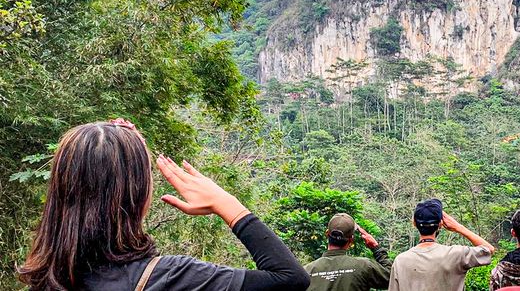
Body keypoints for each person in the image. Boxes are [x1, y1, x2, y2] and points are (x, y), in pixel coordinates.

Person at [18, 120, 310, 291]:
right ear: (140, 195)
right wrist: (226, 203)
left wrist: (106, 145)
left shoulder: (46, 278)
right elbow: (290, 279)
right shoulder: (170, 278)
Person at [388, 198, 495, 291]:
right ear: (440, 224)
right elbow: (489, 250)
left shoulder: (400, 261)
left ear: (414, 223)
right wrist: (458, 227)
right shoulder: (456, 254)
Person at [305, 213, 391, 290]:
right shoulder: (364, 266)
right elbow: (390, 277)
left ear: (327, 234)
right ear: (351, 239)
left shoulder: (306, 271)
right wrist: (376, 248)